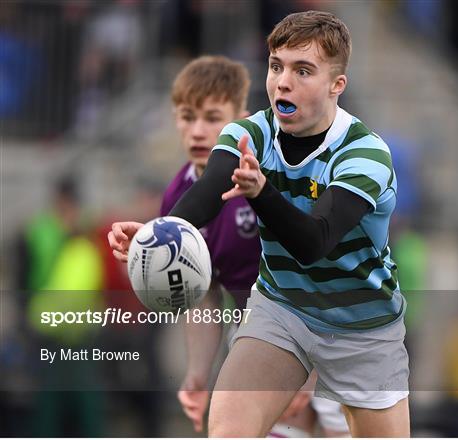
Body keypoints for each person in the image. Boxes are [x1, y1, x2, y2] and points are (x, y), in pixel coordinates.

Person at [109, 11, 409, 437]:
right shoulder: (248, 134)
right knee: (228, 430)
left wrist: (261, 192)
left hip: (361, 326)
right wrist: (154, 236)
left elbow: (314, 242)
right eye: (276, 66)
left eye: (303, 70)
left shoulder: (364, 154)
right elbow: (206, 194)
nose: (283, 82)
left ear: (336, 86)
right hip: (281, 309)